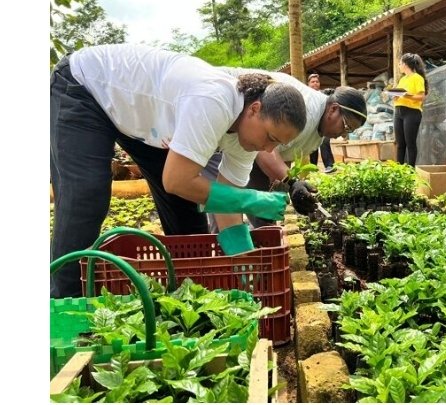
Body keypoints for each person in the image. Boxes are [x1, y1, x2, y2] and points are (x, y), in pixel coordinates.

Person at [50, 44, 307, 298]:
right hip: (85, 87)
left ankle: (190, 297)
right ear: (255, 109)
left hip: (139, 117)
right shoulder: (214, 101)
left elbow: (226, 208)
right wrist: (251, 199)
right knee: (86, 197)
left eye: (276, 144)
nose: (268, 149)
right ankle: (64, 301)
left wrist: (248, 277)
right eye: (270, 137)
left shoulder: (248, 140)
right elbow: (176, 181)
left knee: (188, 222)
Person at [203, 67, 368, 229]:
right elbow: (264, 148)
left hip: (241, 134)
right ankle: (219, 241)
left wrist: (286, 188)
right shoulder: (304, 112)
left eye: (349, 131)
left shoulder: (317, 135)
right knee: (220, 204)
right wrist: (291, 183)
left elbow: (279, 155)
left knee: (257, 214)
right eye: (346, 126)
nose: (343, 135)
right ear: (333, 109)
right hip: (213, 112)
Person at [391, 53, 427, 166]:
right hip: (398, 111)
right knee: (400, 144)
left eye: (400, 63)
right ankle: (399, 170)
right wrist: (395, 95)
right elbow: (399, 95)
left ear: (405, 64)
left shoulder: (417, 78)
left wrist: (406, 95)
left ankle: (411, 170)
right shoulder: (402, 79)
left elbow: (421, 97)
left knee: (410, 143)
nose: (399, 66)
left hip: (412, 112)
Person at [306, 73, 336, 173]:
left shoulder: (323, 94)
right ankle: (313, 168)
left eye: (317, 82)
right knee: (312, 146)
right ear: (308, 84)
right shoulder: (306, 95)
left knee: (324, 142)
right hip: (312, 123)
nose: (315, 83)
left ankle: (329, 166)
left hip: (324, 123)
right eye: (312, 82)